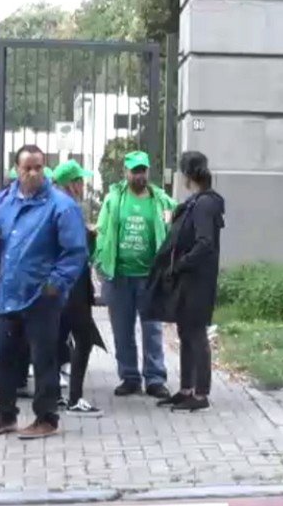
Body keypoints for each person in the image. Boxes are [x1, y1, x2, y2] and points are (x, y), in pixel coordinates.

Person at [0, 145, 88, 439]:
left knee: (44, 359)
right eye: (27, 167)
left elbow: (75, 252)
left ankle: (46, 417)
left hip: (42, 296)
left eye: (38, 167)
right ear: (17, 169)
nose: (33, 173)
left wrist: (55, 284)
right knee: (4, 357)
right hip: (8, 293)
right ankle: (5, 414)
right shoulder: (6, 203)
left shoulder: (61, 206)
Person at [146, 151, 225, 412]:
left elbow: (205, 243)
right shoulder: (197, 202)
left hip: (197, 280)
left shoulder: (204, 205)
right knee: (185, 332)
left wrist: (179, 265)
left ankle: (201, 394)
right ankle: (186, 389)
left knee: (196, 333)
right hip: (189, 279)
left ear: (187, 175)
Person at [94, 151, 177, 399]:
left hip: (150, 277)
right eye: (134, 170)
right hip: (119, 276)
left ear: (148, 171)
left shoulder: (160, 199)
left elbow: (177, 222)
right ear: (126, 172)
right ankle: (129, 377)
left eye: (143, 170)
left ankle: (155, 378)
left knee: (152, 329)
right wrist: (99, 260)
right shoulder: (114, 199)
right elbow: (102, 230)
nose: (139, 175)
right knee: (122, 329)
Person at [52, 159, 108, 416]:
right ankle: (74, 398)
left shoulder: (54, 205)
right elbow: (76, 248)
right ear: (70, 184)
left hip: (60, 283)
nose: (83, 185)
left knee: (58, 337)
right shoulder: (68, 208)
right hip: (72, 282)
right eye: (80, 181)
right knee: (83, 338)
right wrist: (89, 237)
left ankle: (54, 395)